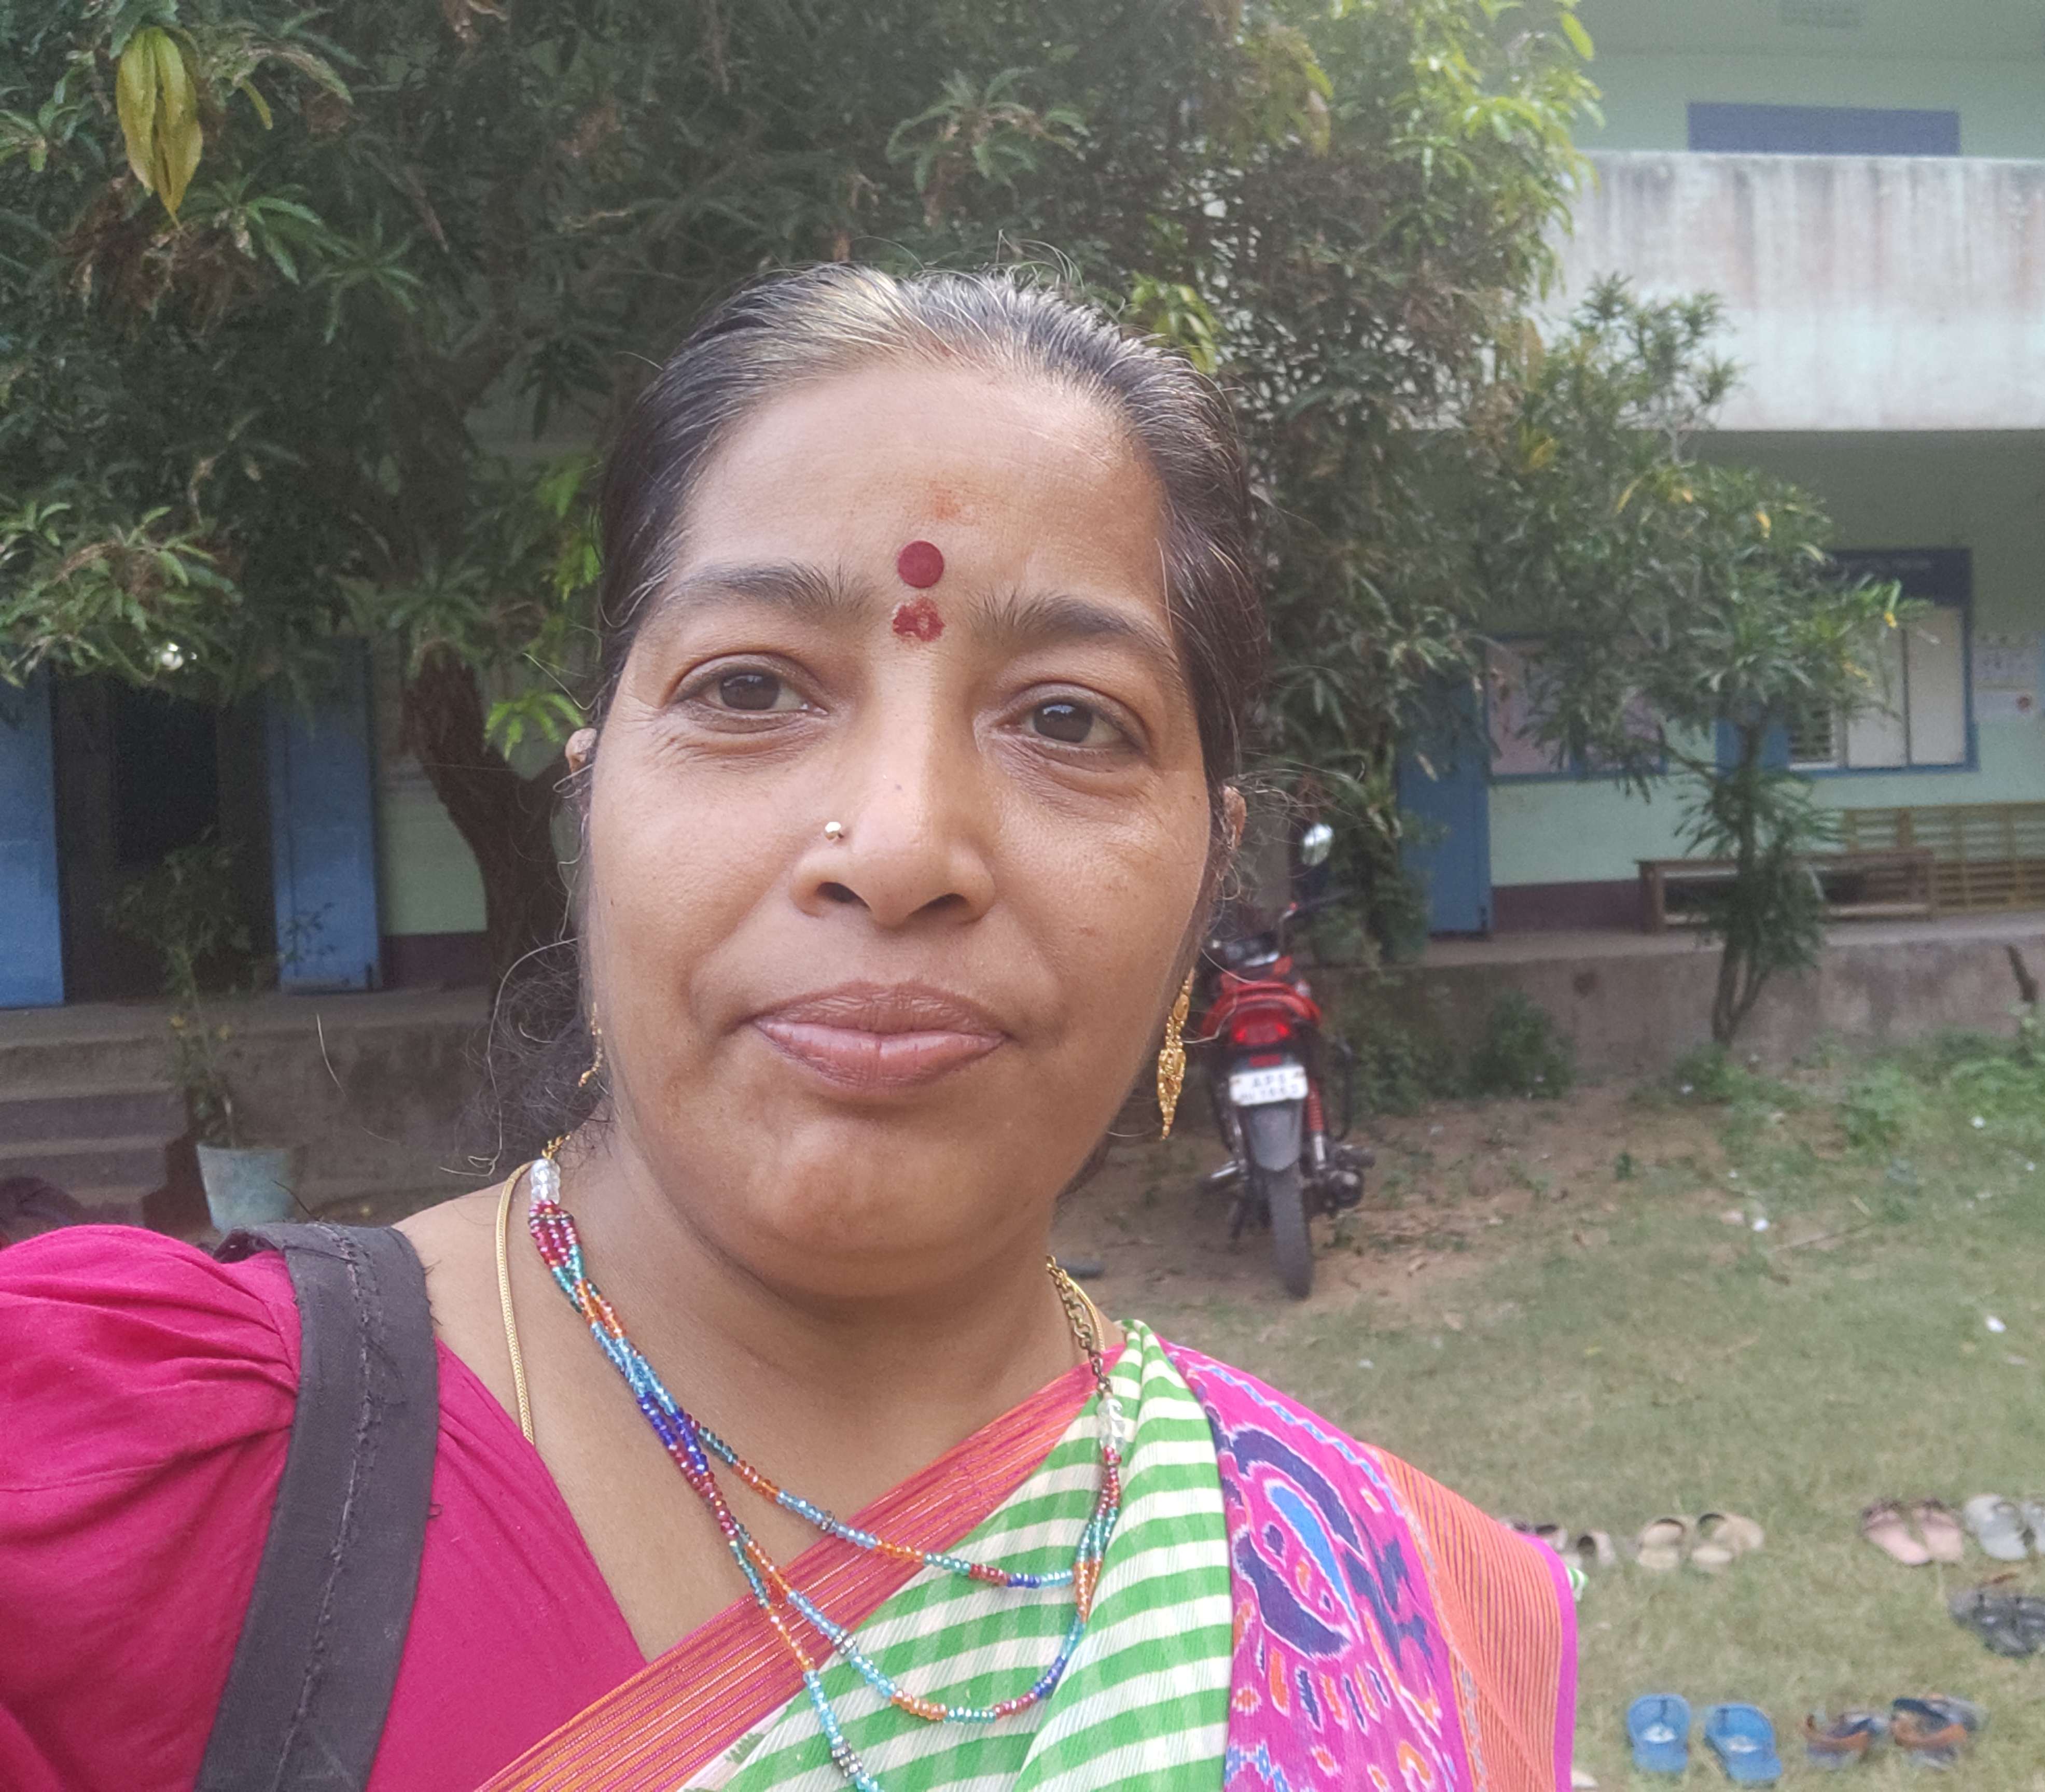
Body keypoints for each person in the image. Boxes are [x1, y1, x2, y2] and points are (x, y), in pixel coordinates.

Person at [0, 266, 1575, 1792]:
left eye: (1069, 718)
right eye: (750, 690)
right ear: (591, 806)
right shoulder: (109, 1484)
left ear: (1208, 872)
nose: (898, 847)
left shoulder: (1399, 1612)